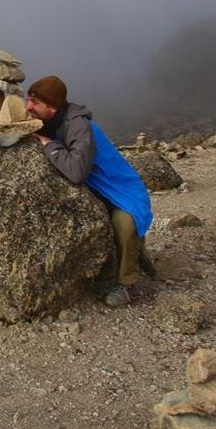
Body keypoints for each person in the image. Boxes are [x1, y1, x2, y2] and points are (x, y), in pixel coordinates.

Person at [26, 75, 153, 307]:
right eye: (28, 100)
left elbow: (76, 171)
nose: (28, 107)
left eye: (35, 103)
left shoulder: (77, 126)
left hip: (120, 189)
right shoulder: (51, 121)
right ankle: (124, 255)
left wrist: (48, 144)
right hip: (95, 189)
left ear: (52, 107)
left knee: (124, 225)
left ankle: (126, 283)